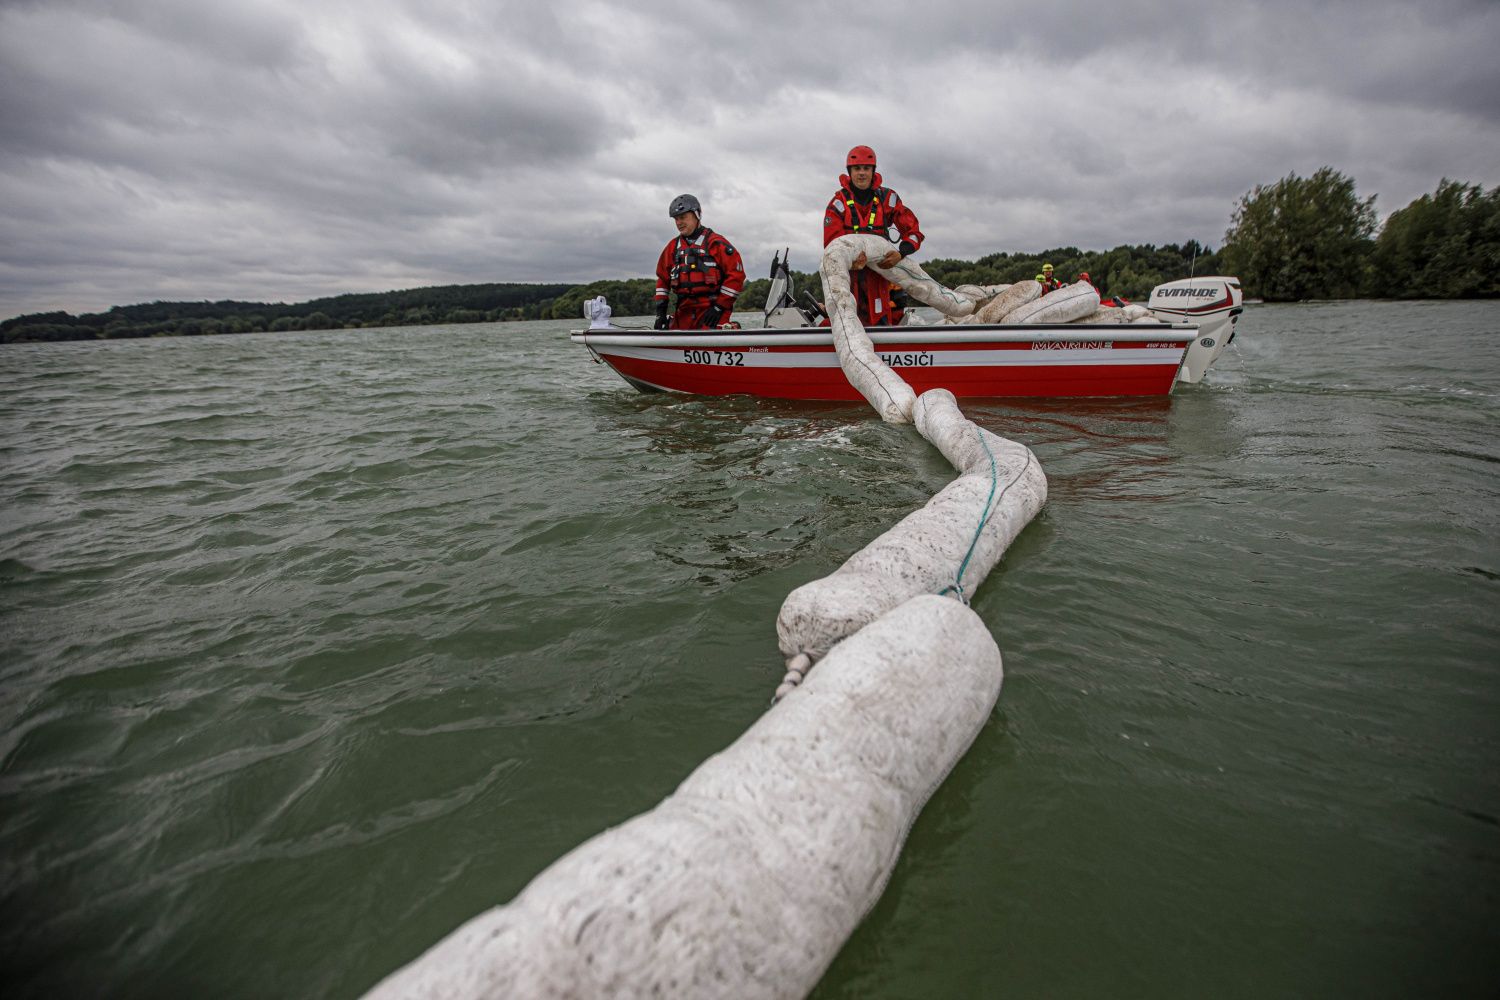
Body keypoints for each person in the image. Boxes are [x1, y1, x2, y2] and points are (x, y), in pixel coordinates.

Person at [822, 146, 923, 326]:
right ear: (849, 172)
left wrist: (900, 253)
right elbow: (831, 252)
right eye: (857, 168)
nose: (862, 173)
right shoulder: (837, 205)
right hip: (849, 281)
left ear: (873, 171)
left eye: (866, 168)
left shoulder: (887, 199)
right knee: (846, 326)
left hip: (879, 279)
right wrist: (852, 265)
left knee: (881, 323)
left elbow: (914, 233)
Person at [654, 195, 745, 331]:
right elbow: (662, 280)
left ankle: (733, 331)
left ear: (697, 215)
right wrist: (660, 313)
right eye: (676, 219)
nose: (679, 222)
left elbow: (736, 276)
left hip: (712, 310)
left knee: (715, 331)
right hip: (683, 311)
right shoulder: (673, 247)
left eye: (683, 217)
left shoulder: (716, 244)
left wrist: (719, 307)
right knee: (672, 333)